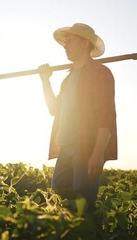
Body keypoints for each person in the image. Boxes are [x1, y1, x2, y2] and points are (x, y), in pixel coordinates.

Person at [38, 23, 118, 210]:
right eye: (65, 42)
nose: (65, 45)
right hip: (66, 146)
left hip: (87, 147)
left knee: (82, 203)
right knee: (58, 196)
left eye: (70, 41)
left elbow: (106, 115)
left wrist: (98, 153)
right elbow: (54, 109)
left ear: (84, 43)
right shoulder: (68, 78)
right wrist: (45, 81)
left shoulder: (100, 73)